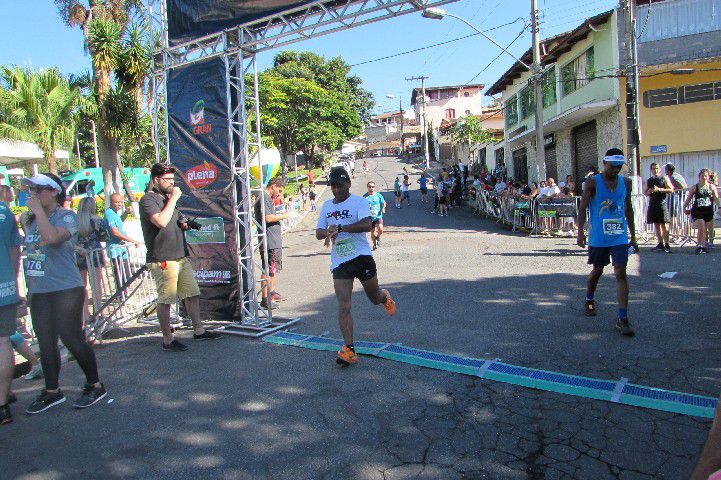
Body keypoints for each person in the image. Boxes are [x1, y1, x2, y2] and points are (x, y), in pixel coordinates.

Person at [21, 173, 106, 414]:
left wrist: (37, 212)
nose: (34, 195)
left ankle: (95, 384)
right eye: (32, 190)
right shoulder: (35, 220)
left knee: (71, 337)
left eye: (39, 190)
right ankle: (52, 391)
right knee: (45, 341)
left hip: (65, 289)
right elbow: (34, 253)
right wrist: (30, 290)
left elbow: (51, 238)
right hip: (40, 290)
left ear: (54, 191)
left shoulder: (66, 217)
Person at [315, 167, 396, 367]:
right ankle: (349, 349)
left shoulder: (359, 202)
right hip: (340, 261)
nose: (336, 190)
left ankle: (384, 296)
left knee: (374, 298)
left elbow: (367, 225)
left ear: (348, 184)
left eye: (340, 185)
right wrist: (328, 231)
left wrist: (342, 227)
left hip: (361, 256)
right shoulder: (326, 206)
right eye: (333, 186)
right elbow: (318, 232)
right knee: (343, 305)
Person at [139, 164, 221, 352]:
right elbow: (160, 221)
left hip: (180, 256)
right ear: (155, 179)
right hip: (163, 258)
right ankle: (168, 339)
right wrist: (174, 198)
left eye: (173, 180)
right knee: (166, 299)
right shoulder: (148, 200)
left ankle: (198, 330)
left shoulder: (167, 199)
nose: (172, 184)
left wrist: (183, 224)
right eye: (167, 180)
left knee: (192, 293)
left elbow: (171, 222)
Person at [577, 149, 638, 336]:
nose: (616, 171)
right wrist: (580, 233)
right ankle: (589, 298)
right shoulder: (592, 182)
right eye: (613, 167)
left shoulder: (626, 183)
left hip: (619, 235)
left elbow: (628, 209)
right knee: (598, 270)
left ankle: (623, 318)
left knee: (620, 272)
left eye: (619, 167)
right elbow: (582, 208)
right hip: (599, 237)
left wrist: (633, 236)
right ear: (605, 164)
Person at [254, 177, 290, 309]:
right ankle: (265, 298)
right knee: (268, 268)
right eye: (279, 191)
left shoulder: (267, 198)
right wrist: (285, 215)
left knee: (273, 268)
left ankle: (271, 292)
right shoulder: (263, 197)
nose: (279, 194)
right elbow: (267, 218)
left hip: (273, 239)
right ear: (273, 186)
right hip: (269, 240)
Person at [0, 191, 21, 424]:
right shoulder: (5, 212)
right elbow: (15, 251)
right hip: (4, 287)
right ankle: (3, 402)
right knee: (4, 341)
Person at [75, 197, 106, 337]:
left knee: (82, 286)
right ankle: (99, 313)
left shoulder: (75, 220)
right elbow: (104, 236)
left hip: (79, 254)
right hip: (94, 253)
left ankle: (85, 315)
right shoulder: (96, 219)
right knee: (96, 286)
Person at [105, 194, 143, 300]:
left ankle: (124, 293)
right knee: (120, 274)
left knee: (126, 273)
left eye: (120, 202)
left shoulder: (115, 214)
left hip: (122, 249)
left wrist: (126, 213)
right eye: (116, 202)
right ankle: (121, 295)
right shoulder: (109, 214)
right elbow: (115, 231)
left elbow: (119, 222)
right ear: (111, 203)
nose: (119, 205)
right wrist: (132, 240)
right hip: (115, 249)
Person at [683, 169, 719, 254]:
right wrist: (684, 208)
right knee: (701, 227)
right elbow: (688, 199)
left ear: (708, 177)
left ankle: (703, 246)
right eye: (702, 176)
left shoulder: (712, 187)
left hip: (708, 211)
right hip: (698, 210)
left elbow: (716, 199)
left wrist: (720, 207)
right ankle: (699, 245)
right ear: (699, 177)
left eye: (706, 176)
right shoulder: (695, 187)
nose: (704, 178)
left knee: (704, 229)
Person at [644, 163, 674, 253]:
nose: (655, 170)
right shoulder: (649, 181)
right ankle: (660, 243)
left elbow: (671, 189)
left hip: (662, 204)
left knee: (664, 225)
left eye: (657, 168)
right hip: (652, 204)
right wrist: (648, 191)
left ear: (660, 170)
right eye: (653, 169)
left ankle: (667, 244)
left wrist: (660, 189)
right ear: (651, 170)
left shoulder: (664, 179)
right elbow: (645, 192)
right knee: (656, 225)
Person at [363, 181, 386, 250]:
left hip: (378, 216)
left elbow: (384, 202)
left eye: (372, 186)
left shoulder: (378, 195)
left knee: (381, 229)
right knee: (372, 233)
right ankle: (374, 244)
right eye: (369, 187)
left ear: (374, 187)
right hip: (369, 219)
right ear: (367, 188)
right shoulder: (365, 197)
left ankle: (378, 237)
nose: (371, 188)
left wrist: (383, 208)